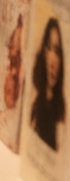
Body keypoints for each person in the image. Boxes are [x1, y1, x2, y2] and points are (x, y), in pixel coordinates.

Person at [29, 16, 66, 150]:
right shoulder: (34, 103)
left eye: (57, 51)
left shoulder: (62, 117)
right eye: (49, 48)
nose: (52, 61)